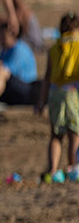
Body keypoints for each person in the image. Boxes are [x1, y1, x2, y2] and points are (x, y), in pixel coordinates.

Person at [35, 11, 79, 181]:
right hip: (73, 95)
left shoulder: (54, 48)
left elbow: (46, 78)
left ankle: (52, 170)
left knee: (56, 135)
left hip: (55, 94)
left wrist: (41, 102)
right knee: (74, 133)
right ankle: (73, 167)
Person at [0, 25, 39, 110]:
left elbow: (6, 72)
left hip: (27, 88)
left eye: (4, 36)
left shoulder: (20, 49)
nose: (1, 39)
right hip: (12, 88)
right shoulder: (5, 50)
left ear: (13, 35)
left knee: (1, 72)